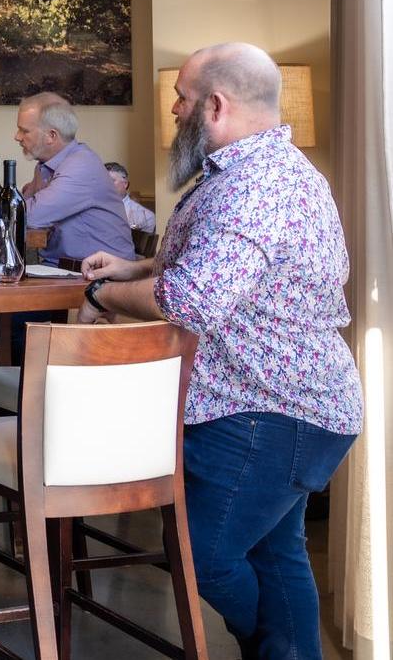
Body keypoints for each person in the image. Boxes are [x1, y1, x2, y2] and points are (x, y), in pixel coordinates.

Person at [78, 42, 360, 660]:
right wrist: (138, 264)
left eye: (180, 97)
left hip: (269, 411)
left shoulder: (256, 187)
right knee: (275, 553)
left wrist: (107, 291)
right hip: (284, 405)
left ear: (215, 104)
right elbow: (219, 263)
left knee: (198, 555)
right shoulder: (259, 174)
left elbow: (196, 298)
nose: (174, 108)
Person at [12, 92, 135, 265]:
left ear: (51, 136)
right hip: (63, 268)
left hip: (98, 277)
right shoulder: (45, 166)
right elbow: (24, 204)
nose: (17, 137)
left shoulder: (80, 166)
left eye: (24, 131)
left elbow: (28, 215)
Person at [105, 161, 157, 232]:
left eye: (111, 180)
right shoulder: (93, 211)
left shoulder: (147, 217)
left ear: (125, 184)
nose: (106, 184)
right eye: (104, 181)